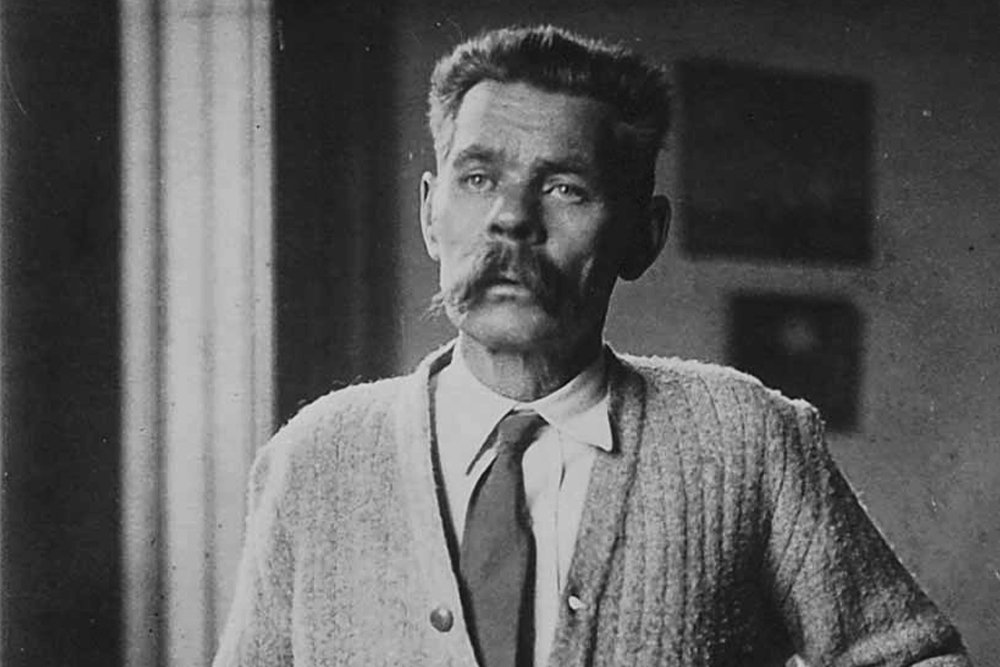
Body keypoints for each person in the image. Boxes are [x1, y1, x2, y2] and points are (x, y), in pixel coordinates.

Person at [213, 25, 971, 667]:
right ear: (429, 215)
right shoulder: (315, 459)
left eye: (565, 188)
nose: (512, 218)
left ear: (643, 235)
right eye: (477, 177)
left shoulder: (747, 441)